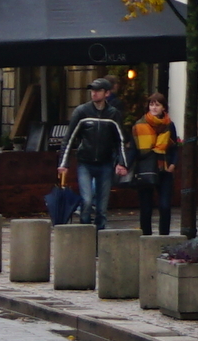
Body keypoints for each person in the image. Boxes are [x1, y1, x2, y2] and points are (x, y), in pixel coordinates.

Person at [62, 85, 125, 225]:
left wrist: (122, 162)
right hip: (85, 162)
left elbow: (120, 140)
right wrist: (63, 163)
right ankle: (85, 232)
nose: (94, 93)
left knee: (102, 208)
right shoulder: (82, 111)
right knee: (87, 200)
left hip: (106, 163)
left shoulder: (113, 114)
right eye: (92, 90)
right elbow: (69, 138)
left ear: (106, 93)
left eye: (98, 90)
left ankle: (100, 236)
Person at [130, 93, 176, 234]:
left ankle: (164, 236)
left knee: (165, 206)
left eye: (157, 105)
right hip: (146, 168)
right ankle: (146, 236)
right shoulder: (139, 125)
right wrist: (125, 165)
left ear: (163, 108)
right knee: (146, 207)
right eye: (151, 104)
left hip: (164, 168)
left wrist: (173, 163)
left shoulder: (169, 125)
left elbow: (174, 146)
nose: (154, 108)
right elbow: (133, 147)